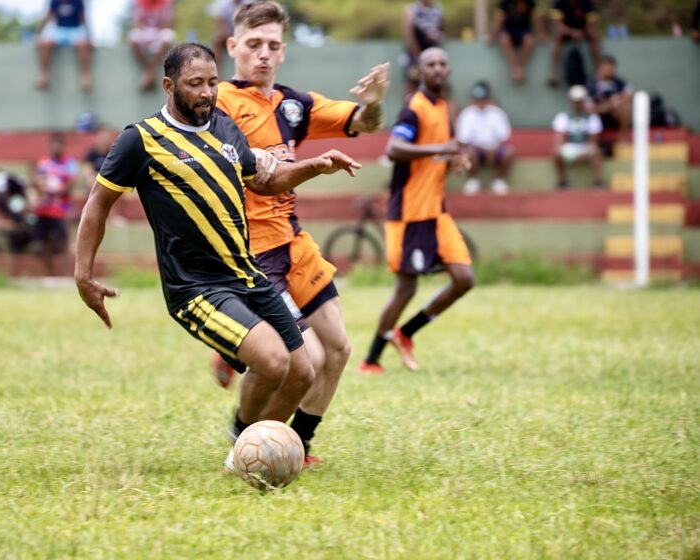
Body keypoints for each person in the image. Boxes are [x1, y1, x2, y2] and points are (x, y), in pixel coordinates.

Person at [74, 43, 361, 469]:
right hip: (196, 288)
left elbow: (264, 180)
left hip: (248, 275)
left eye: (212, 82)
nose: (207, 92)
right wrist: (83, 276)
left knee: (303, 371)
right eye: (195, 84)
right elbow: (97, 205)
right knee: (274, 360)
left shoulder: (225, 128)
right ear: (170, 86)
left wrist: (315, 166)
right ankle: (245, 450)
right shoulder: (142, 139)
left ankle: (245, 450)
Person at [213, 0, 389, 466]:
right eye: (253, 45)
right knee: (300, 360)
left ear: (284, 51)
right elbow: (247, 174)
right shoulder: (219, 104)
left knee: (339, 347)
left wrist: (373, 103)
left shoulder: (294, 106)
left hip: (293, 244)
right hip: (247, 254)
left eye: (272, 46)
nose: (263, 55)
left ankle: (301, 445)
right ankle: (243, 439)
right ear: (233, 46)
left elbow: (362, 122)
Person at [358, 47, 473, 376]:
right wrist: (442, 149)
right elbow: (394, 149)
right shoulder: (414, 106)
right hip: (409, 213)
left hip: (437, 211)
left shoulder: (443, 107)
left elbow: (441, 154)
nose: (437, 68)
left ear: (448, 70)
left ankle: (405, 333)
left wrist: (456, 159)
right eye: (430, 64)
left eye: (442, 63)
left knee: (464, 279)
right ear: (420, 71)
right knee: (406, 288)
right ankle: (371, 359)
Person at [455, 80, 514, 195]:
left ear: (488, 98)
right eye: (477, 99)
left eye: (483, 98)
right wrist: (483, 150)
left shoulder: (497, 113)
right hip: (475, 151)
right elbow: (463, 140)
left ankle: (499, 181)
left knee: (510, 152)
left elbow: (505, 138)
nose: (480, 102)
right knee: (468, 152)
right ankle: (472, 181)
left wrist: (494, 149)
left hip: (496, 149)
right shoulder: (466, 113)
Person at [34, 132, 78, 275]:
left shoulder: (69, 163)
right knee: (45, 242)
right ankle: (49, 274)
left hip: (61, 208)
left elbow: (71, 184)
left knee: (63, 241)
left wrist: (57, 191)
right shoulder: (43, 162)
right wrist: (42, 188)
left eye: (58, 144)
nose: (55, 147)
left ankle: (67, 274)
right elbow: (37, 181)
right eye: (53, 144)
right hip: (44, 209)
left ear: (62, 146)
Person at [552, 84, 603, 189]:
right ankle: (563, 180)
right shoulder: (563, 116)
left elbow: (593, 139)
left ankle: (597, 181)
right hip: (570, 146)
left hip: (586, 146)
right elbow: (559, 138)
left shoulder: (592, 117)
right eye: (576, 101)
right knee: (556, 152)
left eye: (580, 101)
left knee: (596, 151)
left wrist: (584, 152)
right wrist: (560, 149)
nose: (578, 104)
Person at [36, 0, 92, 91]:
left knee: (82, 45)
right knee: (45, 43)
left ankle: (85, 76)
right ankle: (44, 75)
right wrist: (39, 34)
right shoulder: (55, 1)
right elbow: (48, 16)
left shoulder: (78, 2)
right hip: (59, 30)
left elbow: (83, 18)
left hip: (75, 29)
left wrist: (89, 37)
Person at [547, 0, 600, 88]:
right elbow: (557, 25)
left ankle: (598, 68)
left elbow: (591, 23)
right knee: (557, 37)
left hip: (582, 32)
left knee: (594, 36)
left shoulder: (587, 3)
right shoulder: (559, 3)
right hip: (566, 33)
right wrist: (572, 32)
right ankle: (553, 71)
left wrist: (583, 32)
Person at [489, 0, 544, 84]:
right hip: (509, 30)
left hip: (524, 30)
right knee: (504, 39)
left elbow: (536, 18)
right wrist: (492, 35)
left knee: (529, 40)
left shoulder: (530, 2)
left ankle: (520, 68)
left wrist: (541, 33)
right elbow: (498, 20)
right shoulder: (504, 3)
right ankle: (515, 68)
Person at [128, 0, 175, 91]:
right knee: (133, 37)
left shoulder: (166, 2)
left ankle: (149, 72)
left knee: (167, 36)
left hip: (159, 32)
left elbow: (168, 23)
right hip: (144, 31)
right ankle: (151, 72)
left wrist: (155, 35)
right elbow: (137, 22)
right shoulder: (139, 2)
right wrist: (147, 36)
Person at [402, 0, 444, 95]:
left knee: (435, 82)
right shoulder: (412, 10)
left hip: (433, 51)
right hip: (415, 55)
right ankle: (409, 108)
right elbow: (409, 36)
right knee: (412, 81)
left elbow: (442, 29)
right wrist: (418, 56)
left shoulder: (438, 10)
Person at [586, 54, 632, 137]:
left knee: (625, 109)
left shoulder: (620, 82)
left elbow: (629, 96)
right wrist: (610, 104)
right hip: (599, 116)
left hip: (615, 115)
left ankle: (622, 139)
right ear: (599, 67)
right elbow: (590, 109)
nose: (609, 69)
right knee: (592, 118)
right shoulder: (591, 84)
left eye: (611, 66)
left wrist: (618, 101)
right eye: (606, 66)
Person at [207, 0, 254, 70]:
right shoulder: (223, 4)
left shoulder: (249, 3)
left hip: (243, 33)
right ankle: (217, 71)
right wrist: (228, 34)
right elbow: (220, 24)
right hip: (227, 34)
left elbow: (251, 23)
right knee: (217, 39)